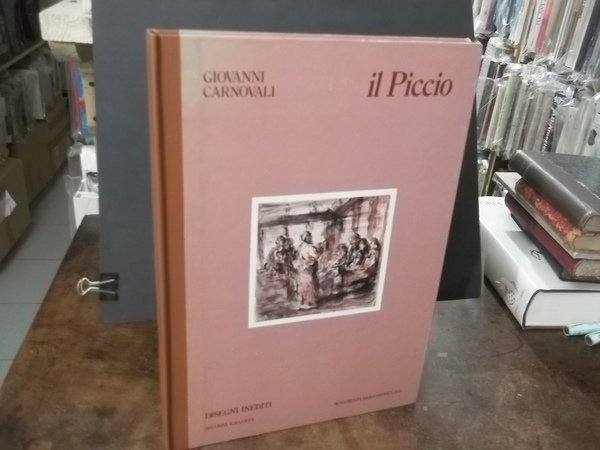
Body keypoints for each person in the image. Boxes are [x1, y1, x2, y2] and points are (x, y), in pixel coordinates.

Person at [295, 231, 319, 310]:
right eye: (309, 236)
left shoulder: (300, 247)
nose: (310, 238)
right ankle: (309, 302)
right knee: (308, 284)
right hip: (307, 267)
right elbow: (315, 256)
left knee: (303, 285)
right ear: (306, 238)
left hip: (302, 267)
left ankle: (303, 302)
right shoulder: (309, 247)